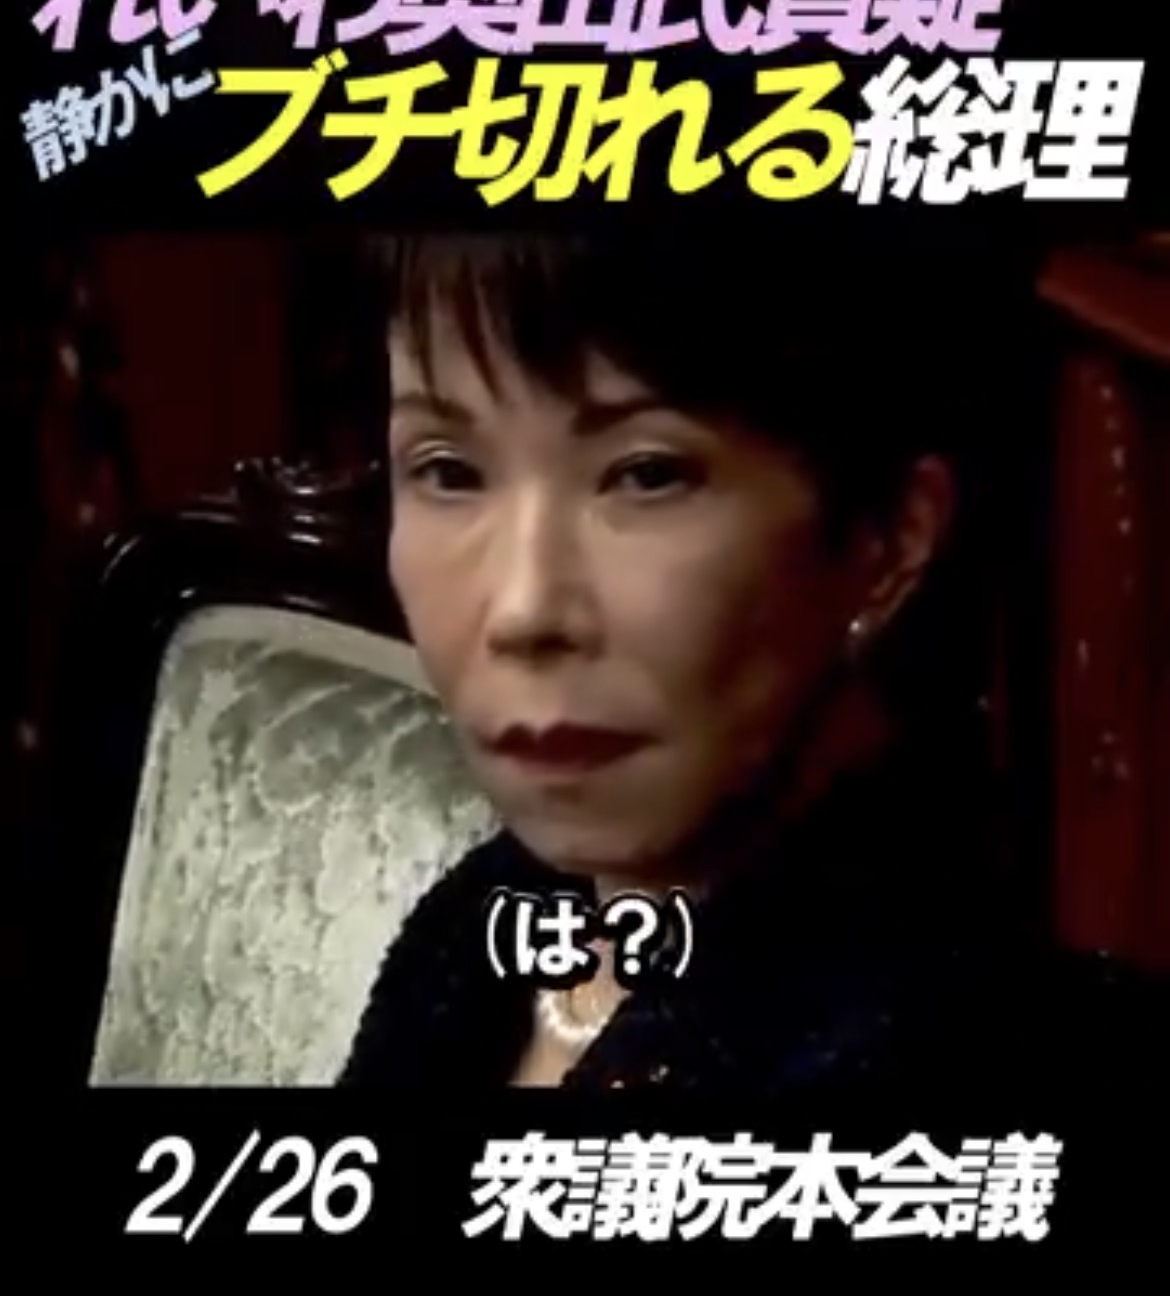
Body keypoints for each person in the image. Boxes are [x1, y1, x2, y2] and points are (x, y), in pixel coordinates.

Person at [341, 226, 1163, 1096]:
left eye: (647, 474)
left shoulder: (983, 1054)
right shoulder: (476, 932)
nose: (524, 609)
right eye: (448, 471)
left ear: (888, 540)